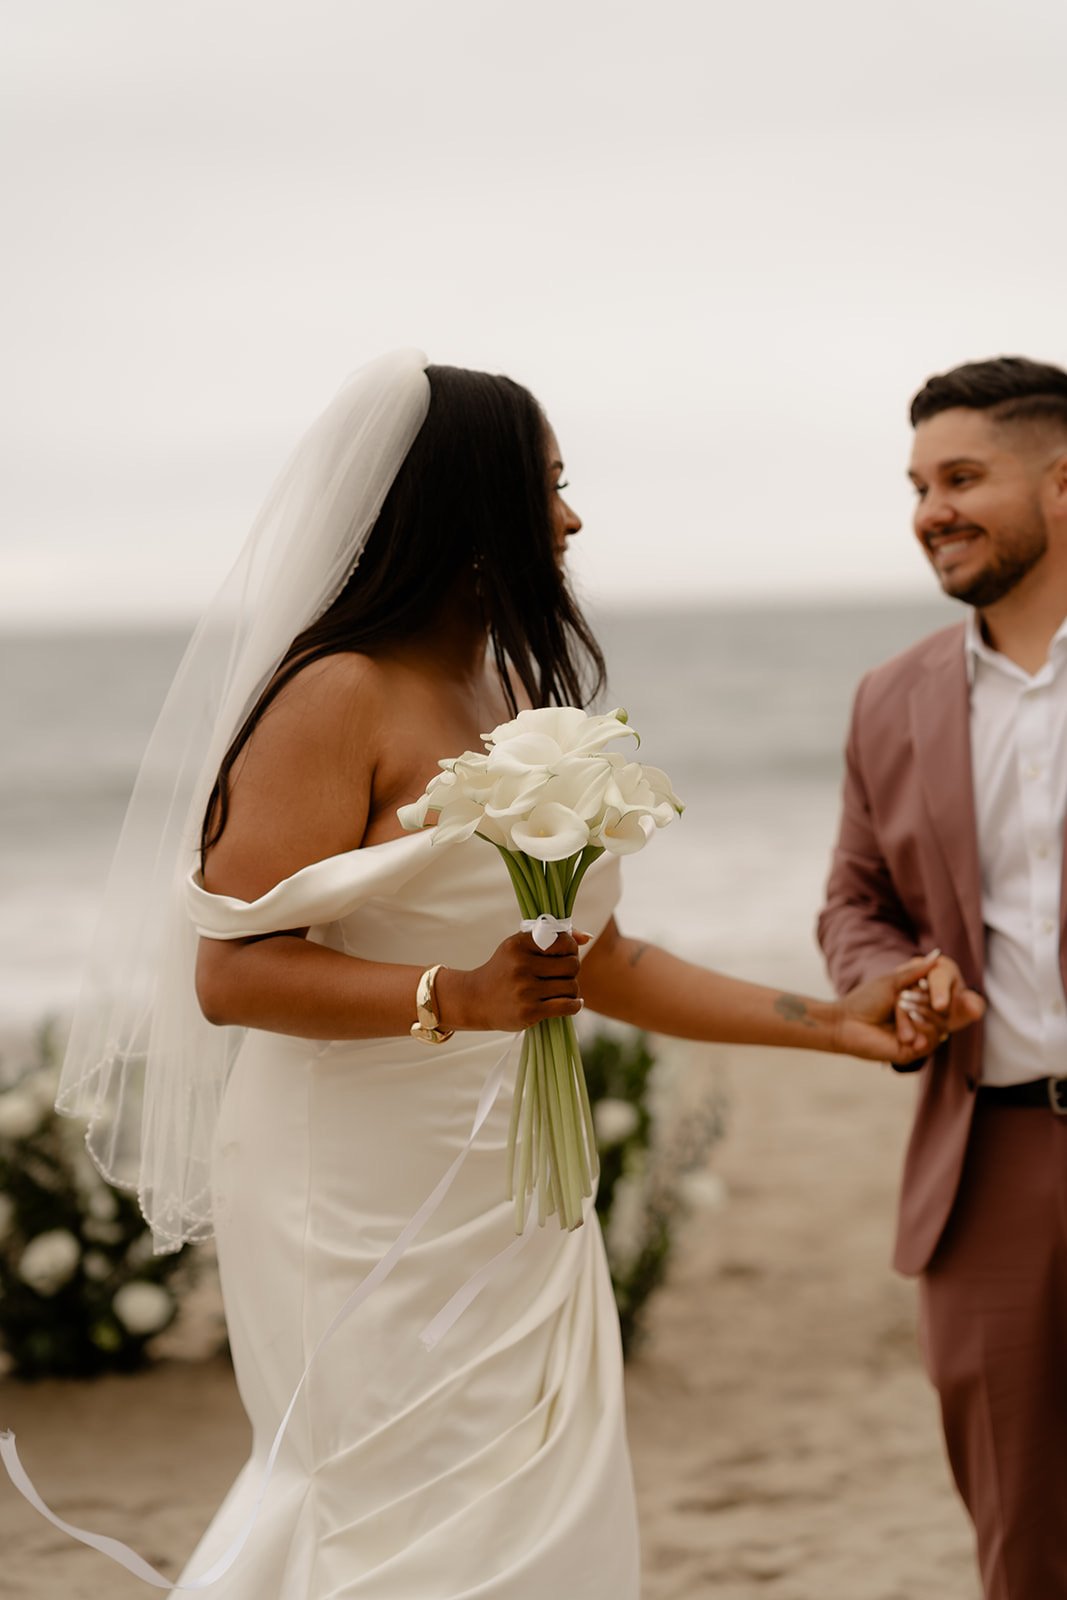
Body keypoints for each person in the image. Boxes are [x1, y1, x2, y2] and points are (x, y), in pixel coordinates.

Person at [9, 351, 948, 1598]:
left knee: (524, 1485)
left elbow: (598, 960)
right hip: (345, 1174)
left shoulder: (510, 689)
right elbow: (232, 975)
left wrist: (832, 1024)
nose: (568, 517)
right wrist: (454, 1000)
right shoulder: (332, 692)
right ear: (461, 507)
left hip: (511, 1170)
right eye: (545, 486)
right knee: (399, 1499)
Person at [818, 355, 1067, 1600]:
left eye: (961, 477)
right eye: (917, 485)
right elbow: (851, 901)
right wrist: (892, 978)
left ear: (1062, 481)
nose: (930, 511)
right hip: (989, 1160)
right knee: (1020, 1538)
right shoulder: (887, 700)